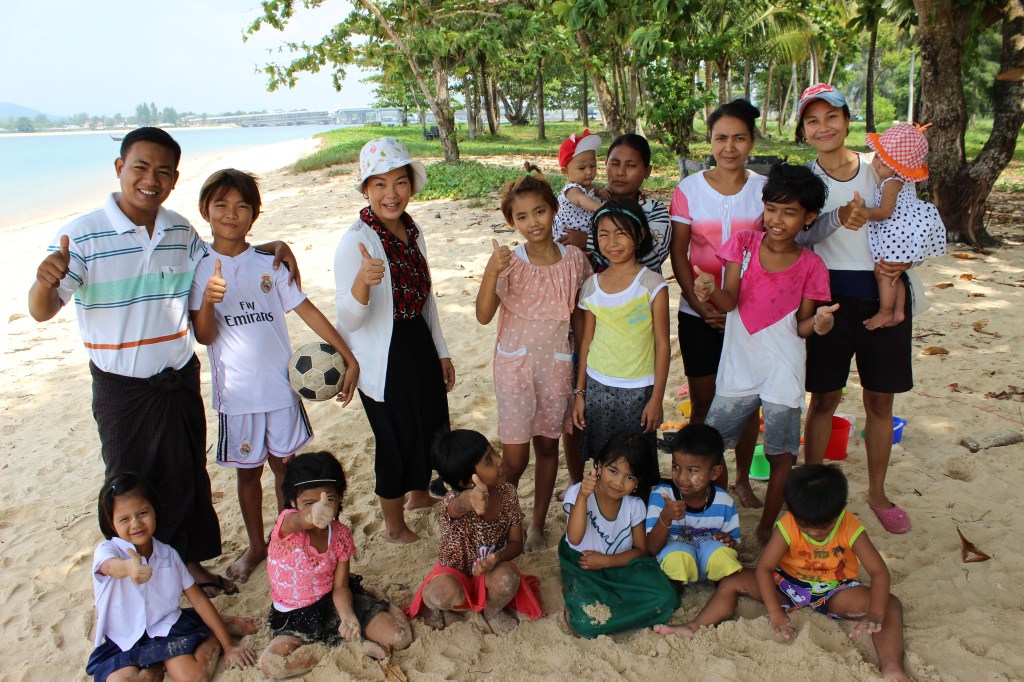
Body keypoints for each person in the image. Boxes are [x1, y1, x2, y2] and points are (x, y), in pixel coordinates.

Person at [27, 127, 299, 595]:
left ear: (174, 180)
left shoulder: (179, 230)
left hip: (178, 377)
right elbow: (42, 309)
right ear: (119, 168)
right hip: (121, 387)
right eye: (140, 167)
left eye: (163, 172)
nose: (150, 179)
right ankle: (140, 574)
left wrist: (271, 247)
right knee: (129, 485)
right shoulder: (81, 235)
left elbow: (223, 255)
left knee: (184, 474)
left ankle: (188, 566)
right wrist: (43, 281)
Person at [189, 169, 360, 584]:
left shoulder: (269, 263)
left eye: (242, 206)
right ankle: (255, 545)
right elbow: (204, 334)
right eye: (221, 205)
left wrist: (347, 355)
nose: (231, 214)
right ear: (205, 211)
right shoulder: (199, 268)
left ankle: (293, 535)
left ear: (254, 215)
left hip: (282, 393)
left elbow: (306, 309)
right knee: (248, 475)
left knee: (288, 470)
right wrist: (210, 300)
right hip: (238, 397)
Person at [653, 464, 911, 682]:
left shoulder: (850, 526)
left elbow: (878, 572)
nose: (814, 534)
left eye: (823, 527)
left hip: (835, 591)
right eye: (806, 526)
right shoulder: (788, 524)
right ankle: (695, 626)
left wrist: (875, 613)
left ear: (839, 510)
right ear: (793, 512)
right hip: (786, 585)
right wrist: (775, 613)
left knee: (889, 603)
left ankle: (892, 668)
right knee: (732, 581)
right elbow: (765, 568)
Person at [794, 84, 917, 534]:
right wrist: (834, 220)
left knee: (880, 400)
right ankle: (811, 487)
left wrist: (906, 261)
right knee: (824, 396)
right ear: (804, 130)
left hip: (884, 294)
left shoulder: (880, 170)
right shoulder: (806, 181)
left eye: (832, 117)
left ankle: (878, 491)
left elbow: (913, 224)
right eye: (812, 120)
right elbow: (795, 236)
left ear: (847, 122)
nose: (823, 127)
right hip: (828, 298)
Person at [693, 164, 837, 546]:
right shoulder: (743, 243)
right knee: (711, 448)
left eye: (790, 213)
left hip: (784, 371)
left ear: (809, 218)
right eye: (772, 208)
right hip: (738, 368)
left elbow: (802, 325)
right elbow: (730, 301)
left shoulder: (812, 265)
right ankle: (720, 518)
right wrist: (709, 290)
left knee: (781, 456)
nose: (777, 220)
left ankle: (766, 526)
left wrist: (820, 324)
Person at [334, 137, 455, 543]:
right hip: (380, 353)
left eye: (400, 182)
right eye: (380, 184)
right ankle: (393, 526)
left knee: (432, 421)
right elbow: (348, 319)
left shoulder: (412, 229)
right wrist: (361, 285)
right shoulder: (357, 241)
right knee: (394, 436)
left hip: (415, 338)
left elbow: (427, 297)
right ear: (366, 189)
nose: (391, 194)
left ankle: (420, 495)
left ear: (411, 185)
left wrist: (441, 351)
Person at [475, 168, 592, 552]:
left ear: (554, 209)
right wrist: (491, 272)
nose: (532, 222)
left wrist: (579, 371)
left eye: (539, 212)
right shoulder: (510, 262)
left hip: (557, 366)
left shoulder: (574, 260)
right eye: (521, 217)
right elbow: (483, 314)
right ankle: (504, 521)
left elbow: (580, 313)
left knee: (547, 448)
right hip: (515, 368)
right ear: (512, 222)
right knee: (513, 460)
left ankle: (537, 523)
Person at [668, 99, 766, 508]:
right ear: (709, 140)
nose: (729, 147)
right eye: (720, 137)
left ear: (751, 141)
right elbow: (679, 253)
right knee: (704, 401)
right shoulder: (688, 190)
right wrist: (700, 304)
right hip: (697, 314)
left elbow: (769, 254)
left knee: (745, 402)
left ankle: (742, 480)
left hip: (748, 316)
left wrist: (737, 312)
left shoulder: (764, 190)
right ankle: (701, 482)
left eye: (739, 138)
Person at [87, 473, 257, 682]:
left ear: (155, 511)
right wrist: (129, 568)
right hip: (125, 639)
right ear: (111, 524)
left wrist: (229, 646)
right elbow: (110, 567)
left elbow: (200, 601)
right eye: (124, 519)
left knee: (192, 677)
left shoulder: (169, 554)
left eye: (142, 513)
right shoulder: (107, 550)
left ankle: (211, 635)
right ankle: (156, 665)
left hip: (167, 628)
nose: (136, 523)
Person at [260, 452, 411, 678]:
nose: (321, 507)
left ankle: (378, 598)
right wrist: (309, 516)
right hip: (295, 616)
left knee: (400, 638)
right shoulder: (286, 525)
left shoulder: (340, 534)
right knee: (272, 665)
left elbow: (340, 587)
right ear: (293, 502)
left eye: (329, 499)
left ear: (340, 498)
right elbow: (297, 520)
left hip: (333, 601)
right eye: (309, 503)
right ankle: (342, 646)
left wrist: (348, 616)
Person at [405, 430, 544, 634]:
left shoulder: (508, 494)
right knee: (442, 594)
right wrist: (470, 499)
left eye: (494, 452)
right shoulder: (451, 501)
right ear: (468, 482)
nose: (499, 460)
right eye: (489, 461)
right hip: (453, 573)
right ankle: (442, 607)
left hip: (487, 573)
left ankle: (490, 611)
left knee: (508, 577)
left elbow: (516, 544)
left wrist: (497, 557)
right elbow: (458, 506)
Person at [572, 199, 670, 468]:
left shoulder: (652, 284)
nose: (612, 242)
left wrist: (657, 399)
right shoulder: (591, 286)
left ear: (639, 235)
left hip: (639, 390)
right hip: (597, 386)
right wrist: (580, 392)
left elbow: (663, 345)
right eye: (603, 234)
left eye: (621, 233)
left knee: (637, 463)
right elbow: (586, 342)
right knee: (603, 460)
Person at [559, 432, 678, 638]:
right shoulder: (578, 493)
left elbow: (641, 551)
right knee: (586, 623)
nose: (618, 482)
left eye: (629, 477)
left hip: (619, 564)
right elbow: (575, 538)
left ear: (638, 482)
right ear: (598, 466)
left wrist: (607, 561)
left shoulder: (634, 506)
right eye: (612, 471)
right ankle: (584, 604)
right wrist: (582, 497)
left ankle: (613, 612)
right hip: (583, 566)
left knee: (666, 597)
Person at [862, 123, 946, 330]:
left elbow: (884, 212)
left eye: (885, 160)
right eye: (878, 156)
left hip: (896, 234)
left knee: (883, 272)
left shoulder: (891, 182)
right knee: (894, 274)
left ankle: (885, 311)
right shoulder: (896, 178)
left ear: (900, 167)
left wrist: (862, 212)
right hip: (902, 232)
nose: (877, 163)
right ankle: (899, 311)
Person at [645, 424, 742, 585]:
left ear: (715, 472)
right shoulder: (662, 495)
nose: (682, 477)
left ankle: (724, 588)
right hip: (675, 562)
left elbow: (733, 546)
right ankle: (676, 590)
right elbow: (652, 548)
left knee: (723, 556)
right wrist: (666, 516)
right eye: (676, 467)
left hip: (708, 564)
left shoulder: (724, 502)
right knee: (678, 555)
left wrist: (728, 540)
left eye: (692, 470)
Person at [587, 134, 672, 273]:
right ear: (605, 165)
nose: (620, 172)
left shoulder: (654, 211)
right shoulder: (588, 204)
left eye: (631, 165)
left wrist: (587, 241)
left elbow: (651, 258)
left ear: (647, 171)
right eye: (614, 164)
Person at [552, 130, 603, 243]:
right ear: (566, 171)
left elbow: (593, 188)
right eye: (582, 168)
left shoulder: (586, 185)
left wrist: (600, 191)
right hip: (567, 237)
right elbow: (581, 199)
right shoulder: (572, 189)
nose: (589, 171)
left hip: (583, 234)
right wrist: (599, 207)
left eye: (593, 165)